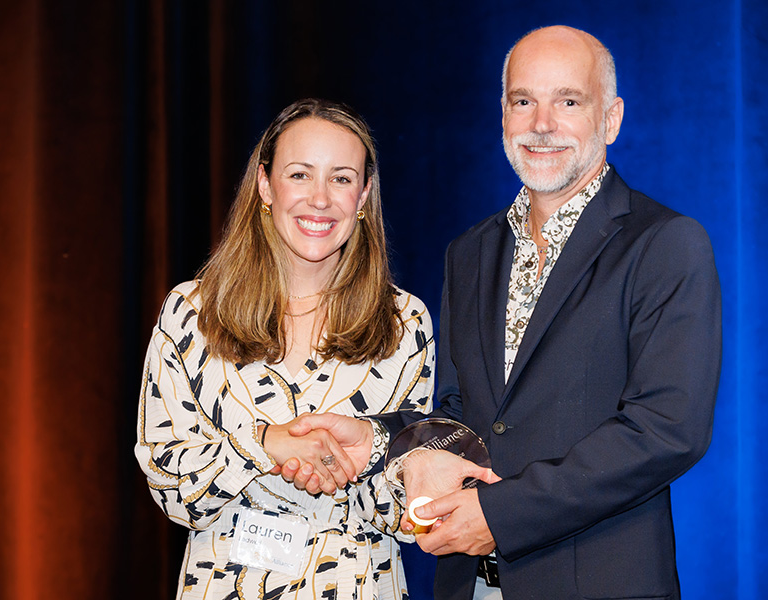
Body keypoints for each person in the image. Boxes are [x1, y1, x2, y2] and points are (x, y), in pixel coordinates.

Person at [285, 26, 722, 600]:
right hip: (470, 584)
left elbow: (667, 430)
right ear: (503, 115)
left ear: (611, 119)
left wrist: (501, 514)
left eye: (569, 101)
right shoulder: (470, 252)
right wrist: (378, 438)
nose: (542, 123)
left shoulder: (664, 243)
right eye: (523, 101)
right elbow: (463, 414)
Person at [134, 98, 436, 600]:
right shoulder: (191, 313)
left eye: (341, 179)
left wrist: (361, 455)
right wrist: (265, 444)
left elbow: (410, 511)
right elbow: (171, 489)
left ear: (364, 195)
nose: (320, 199)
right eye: (300, 175)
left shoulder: (404, 322)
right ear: (264, 184)